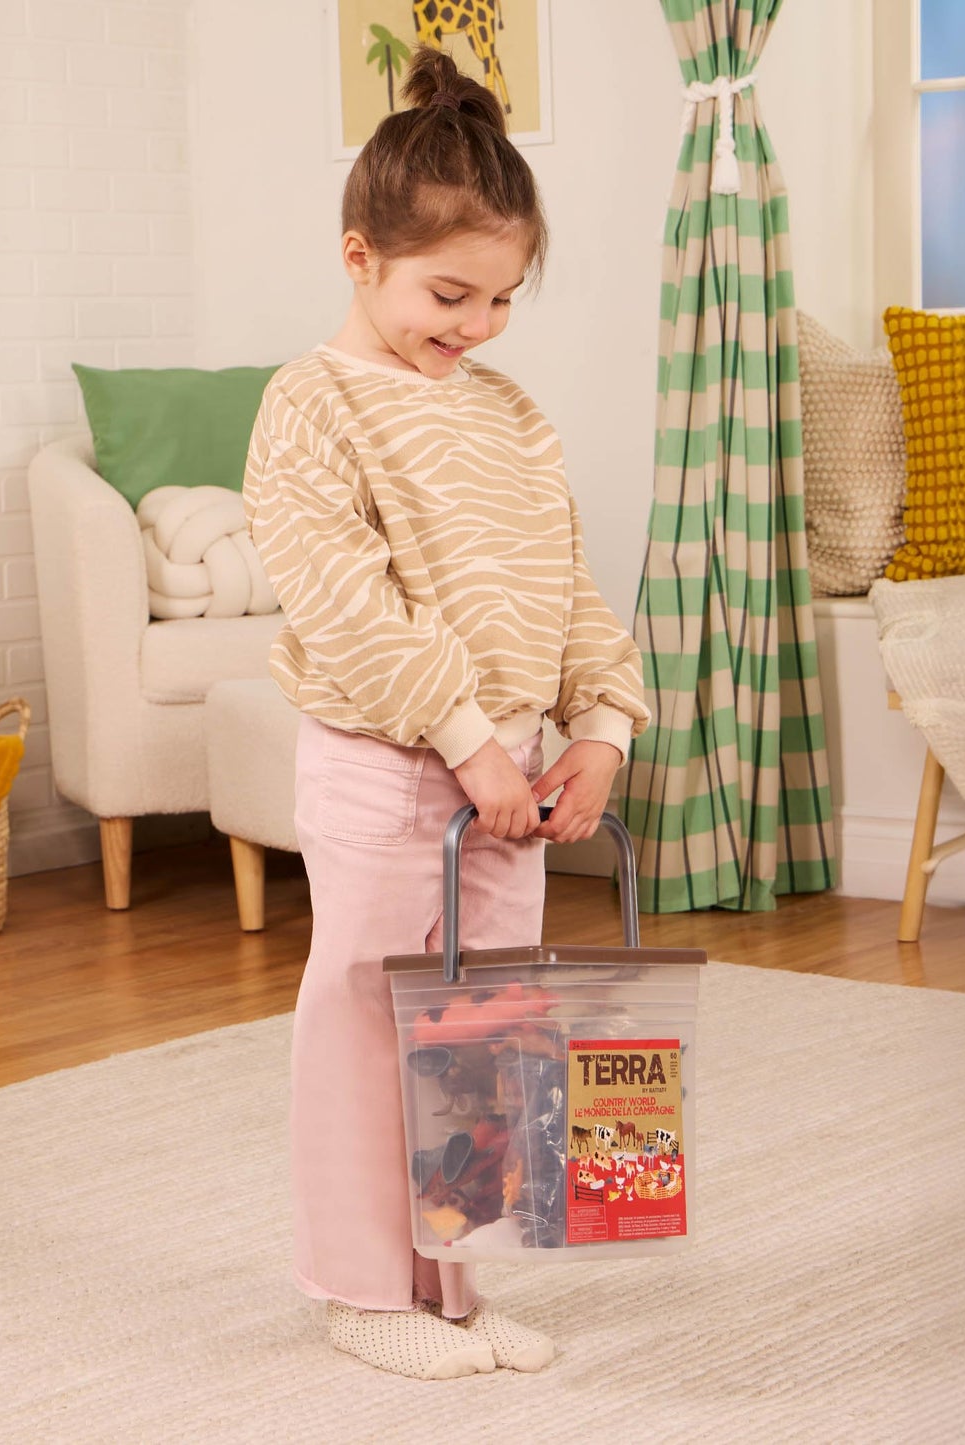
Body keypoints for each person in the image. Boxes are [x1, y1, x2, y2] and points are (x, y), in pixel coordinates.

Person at [242, 47, 649, 1381]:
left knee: (486, 1030)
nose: (473, 323)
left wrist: (599, 724)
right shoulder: (309, 406)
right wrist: (468, 740)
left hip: (513, 773)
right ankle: (364, 1288)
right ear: (358, 255)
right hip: (387, 763)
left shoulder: (511, 419)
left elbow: (569, 589)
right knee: (367, 1016)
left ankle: (455, 1288)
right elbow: (350, 606)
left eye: (501, 298)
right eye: (446, 293)